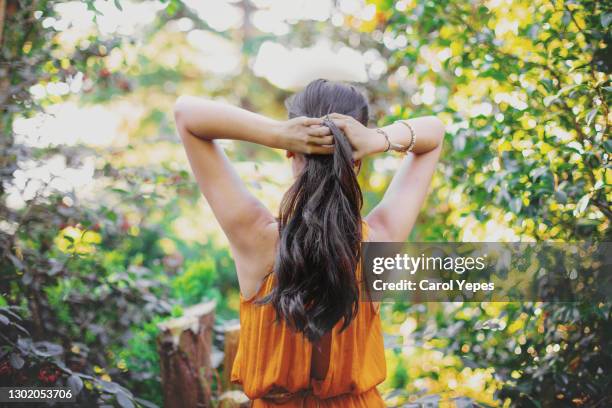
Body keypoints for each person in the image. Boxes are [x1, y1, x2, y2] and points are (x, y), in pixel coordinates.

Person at [174, 79, 445, 407]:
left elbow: (186, 114)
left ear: (289, 151)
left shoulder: (256, 238)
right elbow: (434, 132)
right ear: (357, 160)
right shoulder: (379, 241)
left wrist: (276, 133)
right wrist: (377, 139)